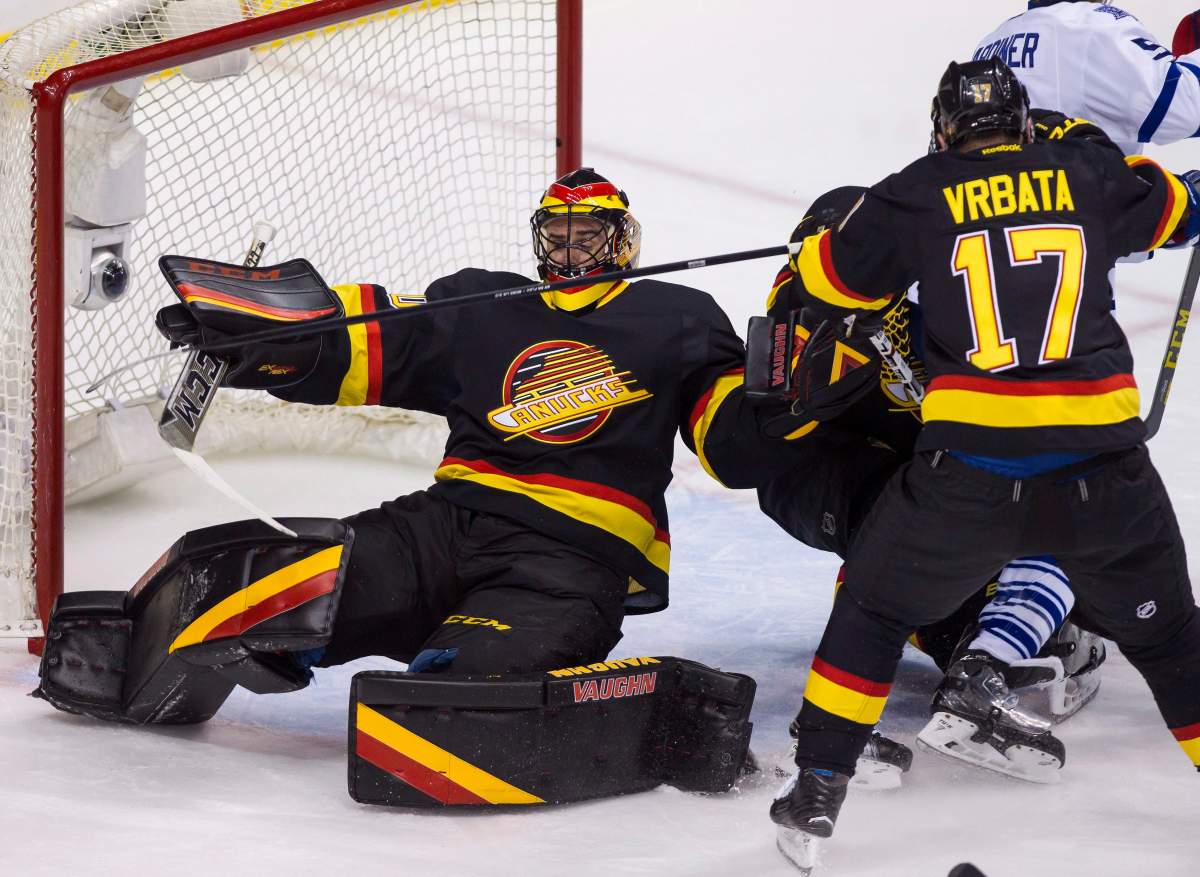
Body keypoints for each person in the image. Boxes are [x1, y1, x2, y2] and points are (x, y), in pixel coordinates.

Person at [34, 168, 805, 803]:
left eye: (590, 236)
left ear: (624, 240)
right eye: (558, 237)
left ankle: (599, 707)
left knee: (457, 697)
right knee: (270, 574)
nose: (572, 251)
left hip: (567, 564)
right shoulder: (488, 304)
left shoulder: (677, 316)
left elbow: (730, 442)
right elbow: (380, 338)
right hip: (443, 527)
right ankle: (129, 654)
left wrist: (778, 399)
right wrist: (270, 339)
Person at [768, 58, 1200, 871]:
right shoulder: (1084, 169)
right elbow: (1178, 208)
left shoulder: (919, 186)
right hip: (1102, 468)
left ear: (944, 130)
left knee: (872, 605)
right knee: (1175, 642)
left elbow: (828, 277)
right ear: (1027, 124)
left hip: (969, 470)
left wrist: (842, 232)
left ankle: (818, 787)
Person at [754, 186, 1097, 785]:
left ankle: (973, 672)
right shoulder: (798, 297)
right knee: (902, 539)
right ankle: (831, 724)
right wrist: (826, 347)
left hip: (913, 468)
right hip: (814, 471)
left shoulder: (947, 301)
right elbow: (767, 416)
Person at [973, 0, 1200, 155]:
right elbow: (1184, 110)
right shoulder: (1093, 26)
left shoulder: (989, 44)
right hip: (1086, 214)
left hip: (1013, 214)